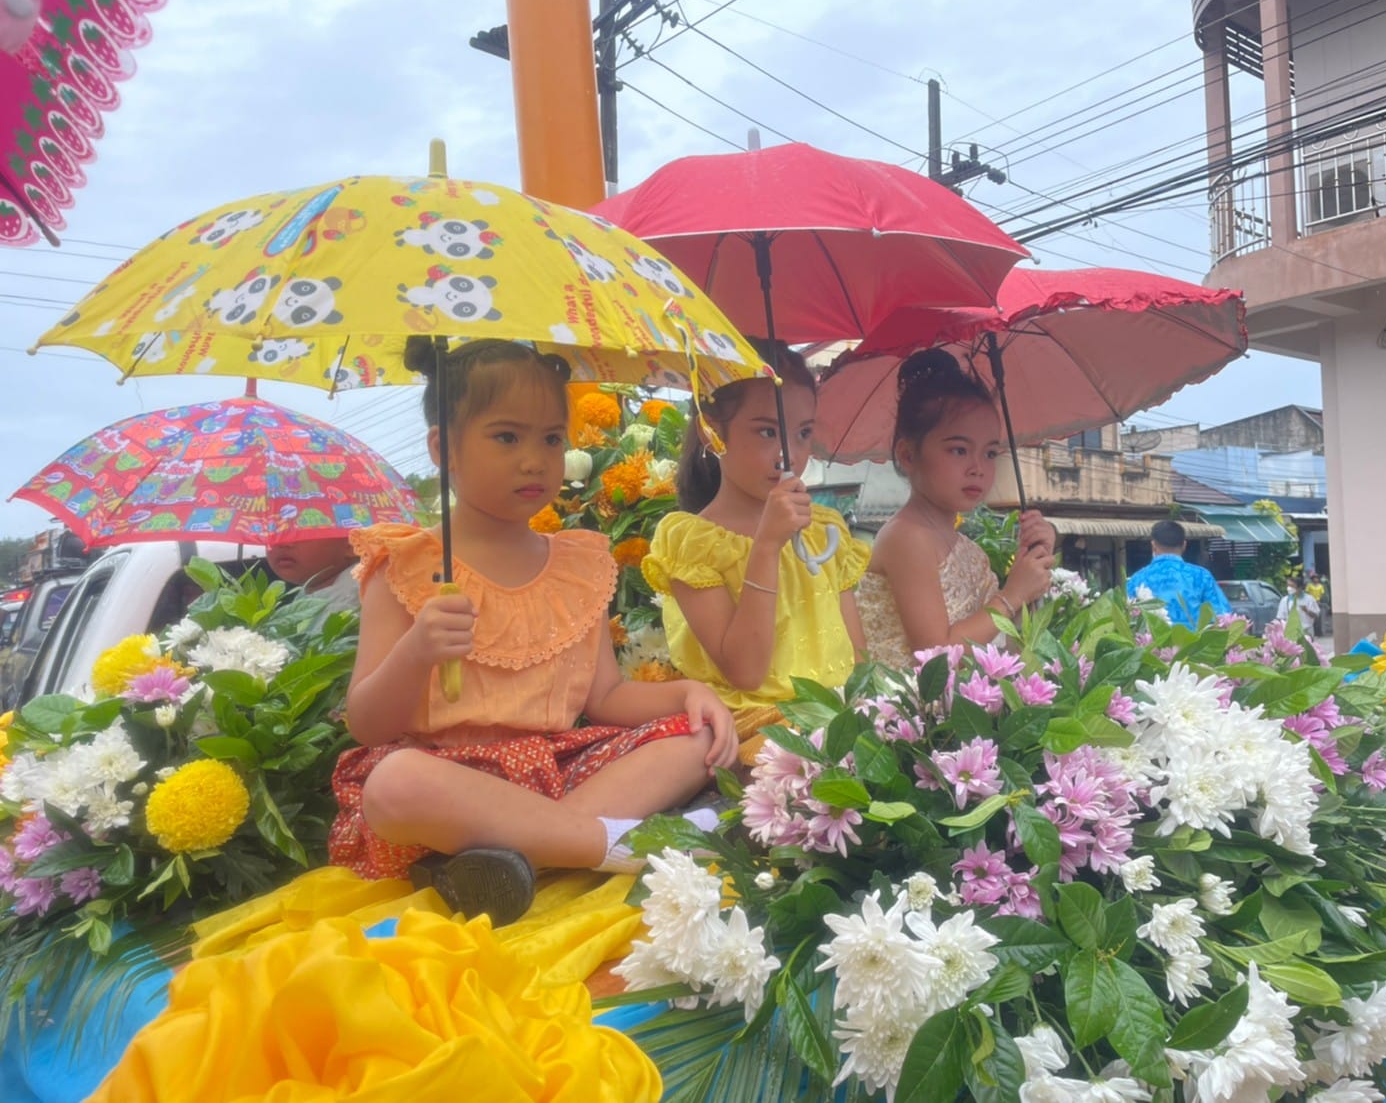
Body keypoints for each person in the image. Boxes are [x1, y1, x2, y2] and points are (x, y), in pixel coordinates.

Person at [329, 337, 738, 925]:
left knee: (694, 740)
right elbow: (367, 725)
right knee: (395, 783)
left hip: (555, 776)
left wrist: (687, 694)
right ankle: (613, 847)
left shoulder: (578, 562)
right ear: (444, 448)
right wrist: (416, 652)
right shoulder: (407, 565)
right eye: (506, 437)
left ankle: (516, 858)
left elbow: (606, 698)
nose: (535, 459)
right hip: (446, 790)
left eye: (551, 438)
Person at [643, 339, 870, 766]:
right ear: (713, 431)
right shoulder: (693, 541)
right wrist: (767, 547)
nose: (790, 454)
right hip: (756, 731)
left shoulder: (825, 530)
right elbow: (745, 671)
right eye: (767, 431)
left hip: (839, 719)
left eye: (803, 433)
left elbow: (856, 654)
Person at [856, 350, 1055, 667]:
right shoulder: (907, 537)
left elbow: (1004, 649)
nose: (977, 467)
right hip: (906, 710)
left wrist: (1031, 572)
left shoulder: (969, 550)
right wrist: (1012, 594)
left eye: (990, 453)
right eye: (959, 450)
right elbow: (937, 657)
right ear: (908, 455)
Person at [1124, 519, 1231, 628]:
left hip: (1152, 643)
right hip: (1195, 644)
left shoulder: (1137, 579)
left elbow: (1127, 620)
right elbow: (1222, 617)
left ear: (1153, 545)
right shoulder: (1201, 576)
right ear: (1184, 545)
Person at [265, 536, 360, 613]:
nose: (283, 543)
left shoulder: (355, 603)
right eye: (275, 531)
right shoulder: (315, 589)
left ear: (353, 544)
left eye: (302, 532)